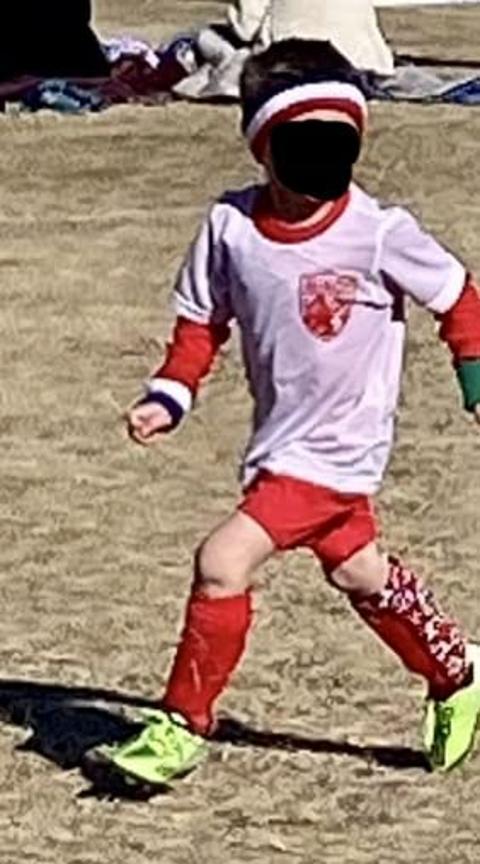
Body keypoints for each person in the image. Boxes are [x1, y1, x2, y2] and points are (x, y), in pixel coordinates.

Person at [88, 39, 480, 791]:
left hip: (339, 449)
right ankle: (458, 672)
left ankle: (180, 727)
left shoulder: (377, 230)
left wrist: (477, 379)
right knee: (360, 573)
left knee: (221, 560)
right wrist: (170, 394)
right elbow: (202, 322)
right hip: (281, 442)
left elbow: (459, 295)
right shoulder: (230, 227)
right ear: (264, 148)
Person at [227, 0, 394, 75]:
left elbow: (246, 29)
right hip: (365, 60)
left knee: (207, 39)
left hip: (287, 60)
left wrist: (232, 13)